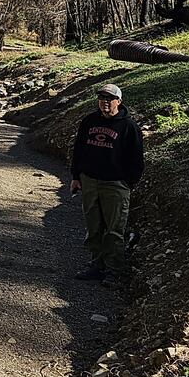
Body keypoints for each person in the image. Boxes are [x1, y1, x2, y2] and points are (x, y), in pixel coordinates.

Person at [69, 83, 144, 283]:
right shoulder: (89, 121)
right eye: (102, 99)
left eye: (109, 99)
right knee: (93, 226)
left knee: (114, 229)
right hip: (90, 181)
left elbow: (137, 158)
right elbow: (78, 149)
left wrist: (128, 182)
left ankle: (114, 270)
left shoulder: (129, 127)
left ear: (118, 101)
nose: (105, 103)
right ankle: (97, 265)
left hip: (115, 184)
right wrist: (76, 176)